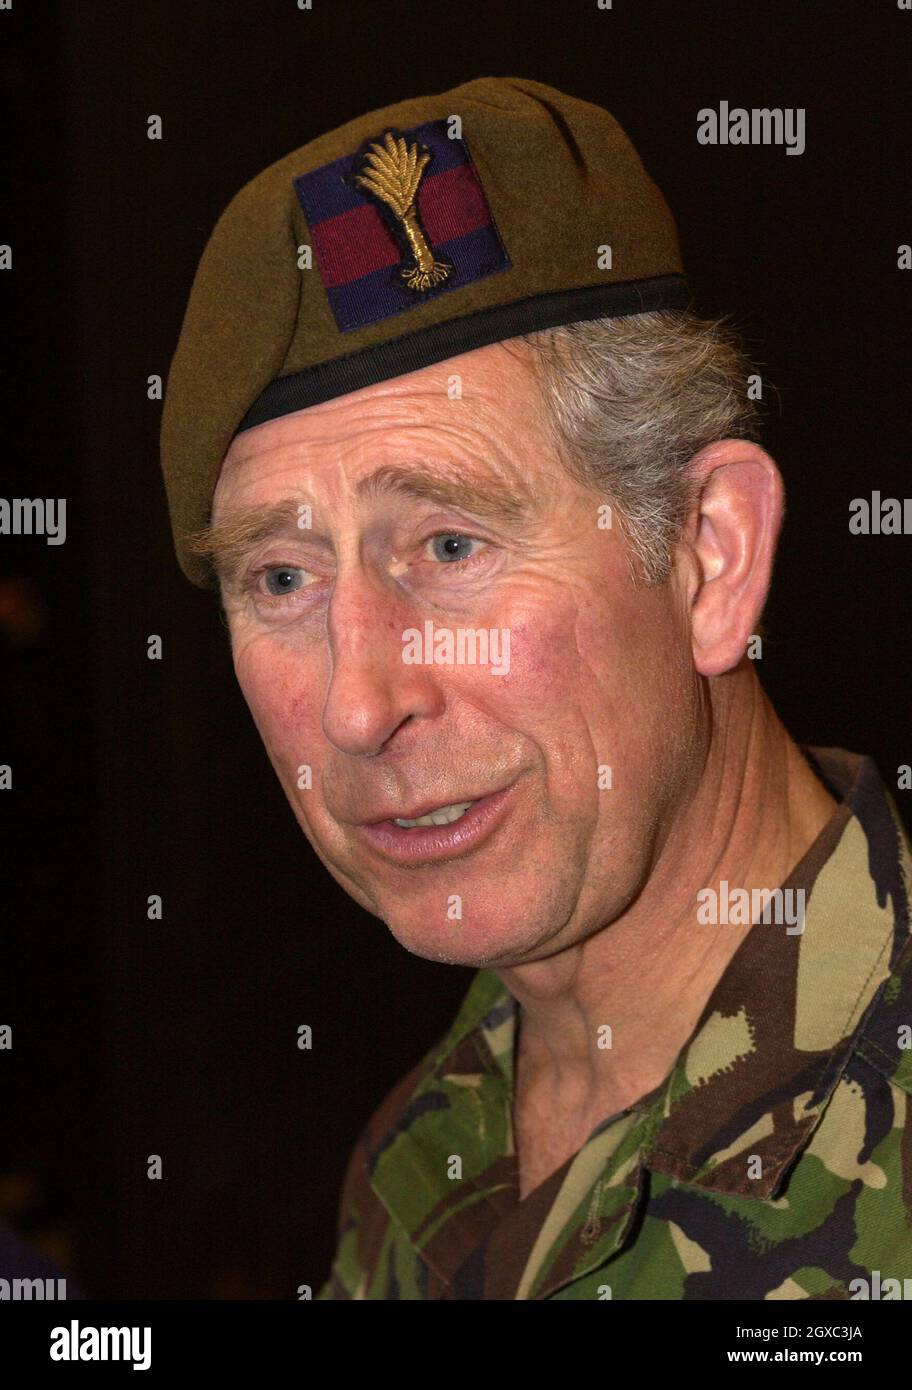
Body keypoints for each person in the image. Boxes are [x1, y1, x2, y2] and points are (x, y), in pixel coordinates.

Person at [160, 77, 912, 1300]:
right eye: (283, 576)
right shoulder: (427, 1154)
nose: (360, 705)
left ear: (708, 556)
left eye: (451, 548)